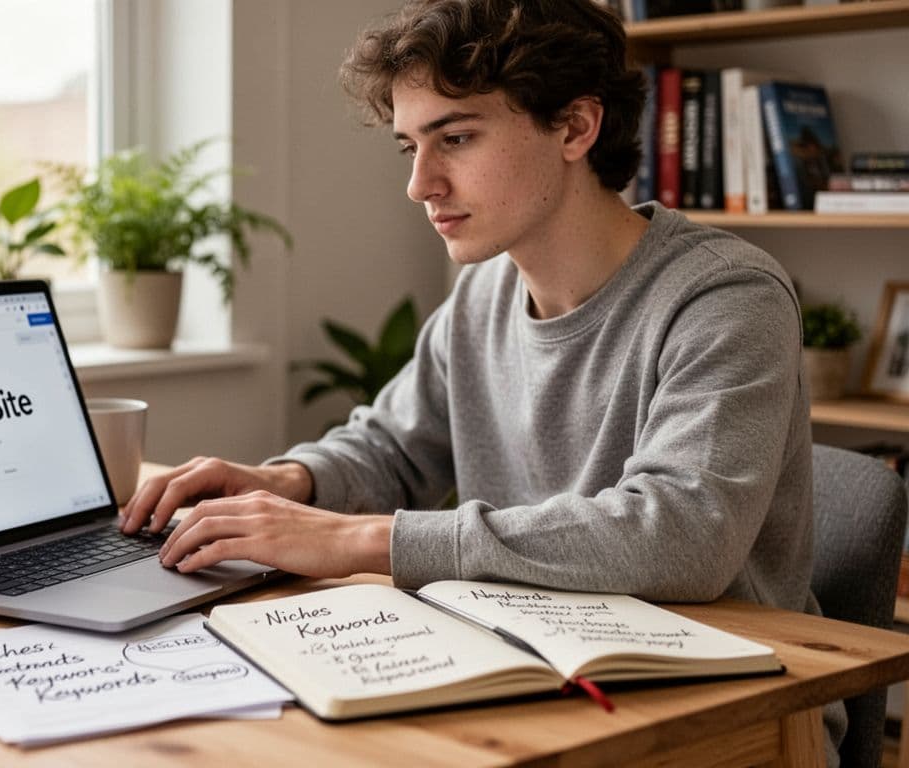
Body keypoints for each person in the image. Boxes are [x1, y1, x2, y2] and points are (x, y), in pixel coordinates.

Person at [120, 0, 841, 758]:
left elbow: (679, 535)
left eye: (455, 138)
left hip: (729, 707)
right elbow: (395, 447)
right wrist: (288, 483)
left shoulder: (726, 295)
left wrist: (363, 539)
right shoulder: (485, 294)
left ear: (574, 127)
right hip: (536, 676)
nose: (421, 184)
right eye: (410, 148)